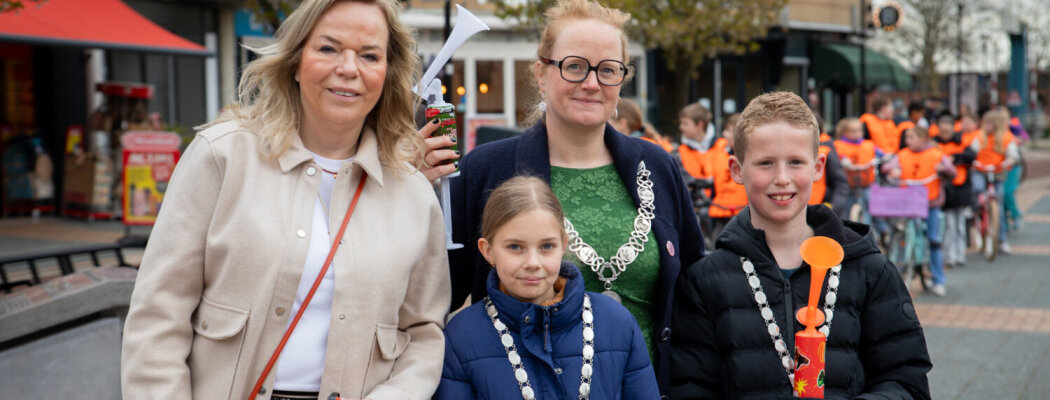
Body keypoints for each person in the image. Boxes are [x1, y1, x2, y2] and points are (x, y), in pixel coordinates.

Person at [120, 1, 451, 399]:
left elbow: (423, 334)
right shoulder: (222, 157)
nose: (349, 68)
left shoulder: (412, 194)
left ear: (387, 73)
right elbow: (159, 314)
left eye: (369, 55)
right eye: (328, 48)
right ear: (295, 62)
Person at [445, 0, 703, 393]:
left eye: (608, 70)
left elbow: (690, 292)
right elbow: (437, 294)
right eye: (575, 66)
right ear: (542, 73)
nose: (592, 83)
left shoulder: (657, 166)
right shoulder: (485, 170)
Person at [670, 92, 932, 399]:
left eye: (795, 162)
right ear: (737, 170)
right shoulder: (704, 282)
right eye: (765, 163)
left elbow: (906, 380)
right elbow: (689, 387)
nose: (782, 178)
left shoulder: (868, 270)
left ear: (818, 166)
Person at [435, 176, 659, 399]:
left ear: (563, 245)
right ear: (488, 251)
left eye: (546, 246)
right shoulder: (461, 337)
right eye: (515, 247)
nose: (533, 263)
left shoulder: (617, 323)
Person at [882, 126, 956, 296]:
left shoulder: (936, 153)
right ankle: (898, 274)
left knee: (934, 240)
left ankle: (938, 280)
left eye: (911, 137)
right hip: (908, 204)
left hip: (931, 204)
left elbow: (952, 171)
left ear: (923, 139)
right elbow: (888, 167)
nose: (908, 141)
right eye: (907, 137)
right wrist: (893, 171)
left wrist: (943, 170)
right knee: (900, 236)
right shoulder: (902, 154)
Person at [971, 109, 1020, 254]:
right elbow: (972, 151)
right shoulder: (979, 137)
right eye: (985, 123)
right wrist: (972, 160)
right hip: (980, 170)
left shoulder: (1006, 138)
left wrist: (1008, 161)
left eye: (989, 124)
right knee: (977, 187)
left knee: (998, 205)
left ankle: (1002, 239)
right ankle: (976, 210)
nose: (986, 126)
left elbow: (1013, 154)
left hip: (997, 172)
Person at [934, 114, 977, 269]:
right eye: (942, 130)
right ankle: (949, 255)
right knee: (948, 224)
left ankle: (960, 254)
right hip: (944, 188)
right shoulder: (935, 144)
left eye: (948, 130)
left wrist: (955, 157)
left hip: (960, 187)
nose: (945, 133)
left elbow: (972, 155)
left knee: (959, 224)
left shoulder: (961, 142)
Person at [703, 113, 748, 242]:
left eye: (728, 131)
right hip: (720, 213)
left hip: (743, 214)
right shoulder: (719, 152)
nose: (724, 134)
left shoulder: (752, 157)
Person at [834, 117, 882, 225]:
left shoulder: (869, 145)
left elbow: (881, 154)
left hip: (866, 183)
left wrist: (883, 158)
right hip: (849, 184)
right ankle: (847, 227)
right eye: (853, 131)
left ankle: (883, 229)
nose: (857, 133)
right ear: (844, 132)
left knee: (874, 205)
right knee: (846, 207)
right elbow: (836, 156)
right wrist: (842, 159)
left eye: (860, 130)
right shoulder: (838, 145)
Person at [676, 103, 713, 180]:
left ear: (700, 125)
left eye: (685, 123)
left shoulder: (724, 148)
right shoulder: (678, 153)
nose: (681, 127)